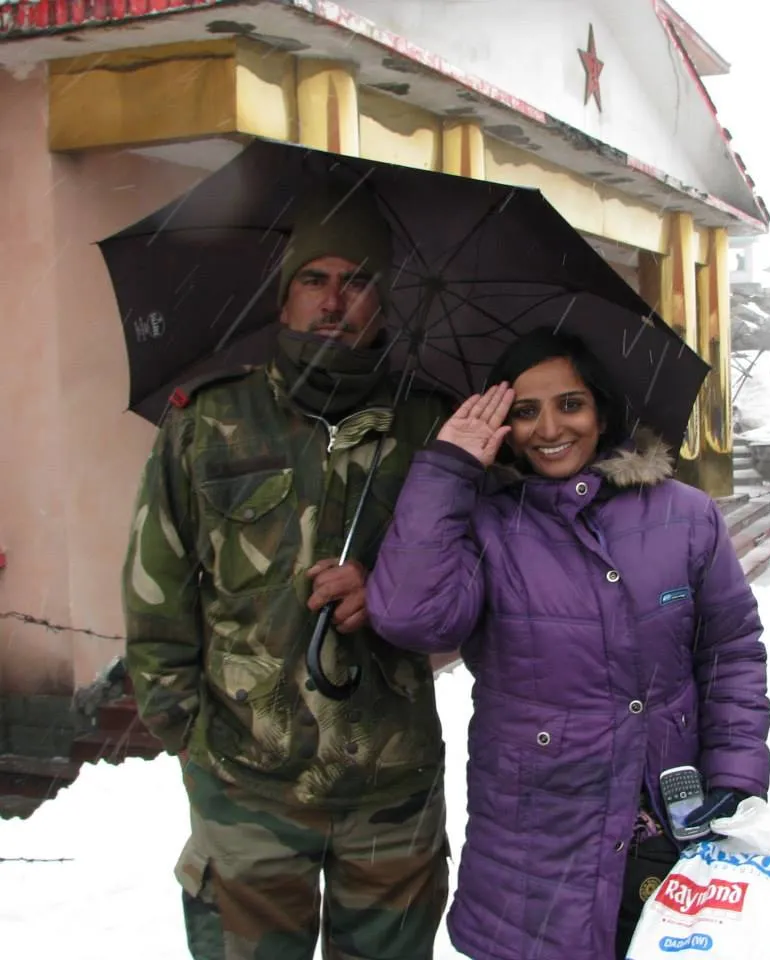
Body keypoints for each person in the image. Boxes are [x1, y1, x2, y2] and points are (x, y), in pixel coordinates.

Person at [366, 328, 770, 960]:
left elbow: (730, 649)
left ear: (601, 410)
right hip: (534, 831)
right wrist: (447, 469)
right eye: (524, 411)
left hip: (668, 819)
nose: (549, 427)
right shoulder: (486, 523)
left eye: (570, 404)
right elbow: (411, 619)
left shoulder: (684, 516)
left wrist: (736, 770)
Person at [122, 185, 450, 960]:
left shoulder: (435, 427)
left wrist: (393, 591)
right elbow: (156, 587)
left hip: (391, 787)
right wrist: (186, 733)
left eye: (359, 280)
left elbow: (484, 578)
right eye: (315, 278)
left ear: (385, 299)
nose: (335, 300)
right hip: (246, 787)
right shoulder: (209, 422)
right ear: (286, 296)